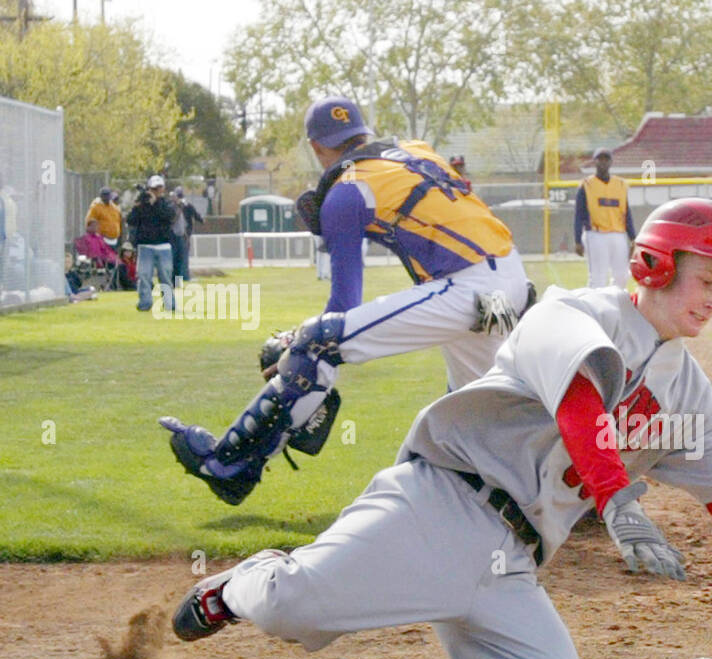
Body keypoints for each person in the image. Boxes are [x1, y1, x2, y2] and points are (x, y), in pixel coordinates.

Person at [167, 198, 712, 659]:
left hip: (511, 558)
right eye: (706, 278)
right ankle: (242, 582)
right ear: (654, 265)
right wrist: (616, 500)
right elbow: (581, 403)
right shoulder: (574, 313)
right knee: (295, 608)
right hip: (442, 499)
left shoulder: (687, 389)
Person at [159, 96, 533, 506]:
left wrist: (291, 346)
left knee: (317, 343)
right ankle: (534, 487)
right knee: (472, 415)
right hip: (508, 276)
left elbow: (344, 305)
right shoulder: (415, 150)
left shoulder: (346, 192)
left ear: (316, 147)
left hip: (468, 287)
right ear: (363, 132)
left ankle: (228, 466)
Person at [573, 147, 636, 288]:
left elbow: (627, 213)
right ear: (594, 161)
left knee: (621, 276)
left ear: (611, 162)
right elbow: (579, 214)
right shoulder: (587, 185)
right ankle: (594, 308)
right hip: (596, 234)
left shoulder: (620, 184)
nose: (603, 162)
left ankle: (615, 306)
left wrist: (633, 238)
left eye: (606, 159)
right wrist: (577, 239)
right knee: (598, 277)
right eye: (600, 159)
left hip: (618, 234)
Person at [125, 174, 176, 312]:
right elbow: (131, 220)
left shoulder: (166, 204)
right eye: (153, 188)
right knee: (144, 276)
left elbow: (169, 216)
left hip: (163, 246)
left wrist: (156, 203)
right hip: (145, 246)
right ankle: (145, 303)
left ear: (163, 189)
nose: (156, 191)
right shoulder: (143, 205)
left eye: (159, 188)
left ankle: (169, 304)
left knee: (165, 277)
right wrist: (137, 206)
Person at [171, 187, 204, 282]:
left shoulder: (183, 205)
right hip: (179, 235)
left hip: (182, 234)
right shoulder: (181, 206)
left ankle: (180, 279)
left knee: (180, 258)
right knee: (180, 258)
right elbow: (197, 217)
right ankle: (182, 278)